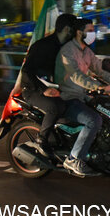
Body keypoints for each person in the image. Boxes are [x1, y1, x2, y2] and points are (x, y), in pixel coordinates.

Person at [60, 18, 110, 177]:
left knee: (108, 114)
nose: (93, 33)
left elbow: (100, 70)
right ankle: (74, 158)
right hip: (69, 97)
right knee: (94, 120)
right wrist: (99, 87)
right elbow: (76, 75)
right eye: (90, 30)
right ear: (80, 32)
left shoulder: (86, 51)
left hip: (83, 95)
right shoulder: (68, 50)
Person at [20, 13, 77, 156]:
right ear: (66, 30)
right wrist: (43, 89)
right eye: (74, 28)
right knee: (53, 107)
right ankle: (42, 140)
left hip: (55, 88)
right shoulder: (42, 46)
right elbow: (26, 71)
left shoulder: (66, 47)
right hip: (33, 90)